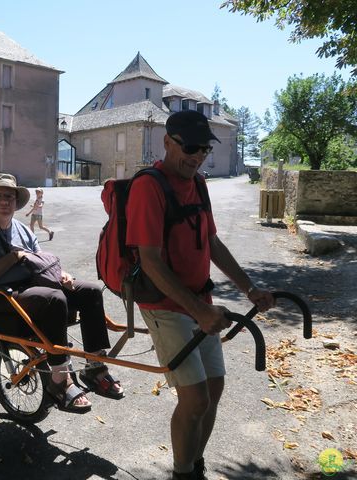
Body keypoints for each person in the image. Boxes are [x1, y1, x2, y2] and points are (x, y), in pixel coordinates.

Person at [125, 110, 274, 480]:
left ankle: (193, 464)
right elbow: (151, 262)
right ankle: (182, 472)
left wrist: (249, 288)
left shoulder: (200, 185)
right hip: (163, 304)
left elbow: (211, 242)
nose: (197, 156)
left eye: (204, 149)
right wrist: (198, 311)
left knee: (214, 389)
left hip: (199, 303)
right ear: (168, 142)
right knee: (195, 398)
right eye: (190, 147)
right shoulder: (149, 186)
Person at [0, 173, 124, 413]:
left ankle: (94, 367)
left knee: (89, 291)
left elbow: (41, 262)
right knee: (54, 299)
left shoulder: (21, 229)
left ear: (16, 201)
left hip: (32, 286)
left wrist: (62, 274)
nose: (4, 201)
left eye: (9, 196)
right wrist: (12, 257)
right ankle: (59, 380)